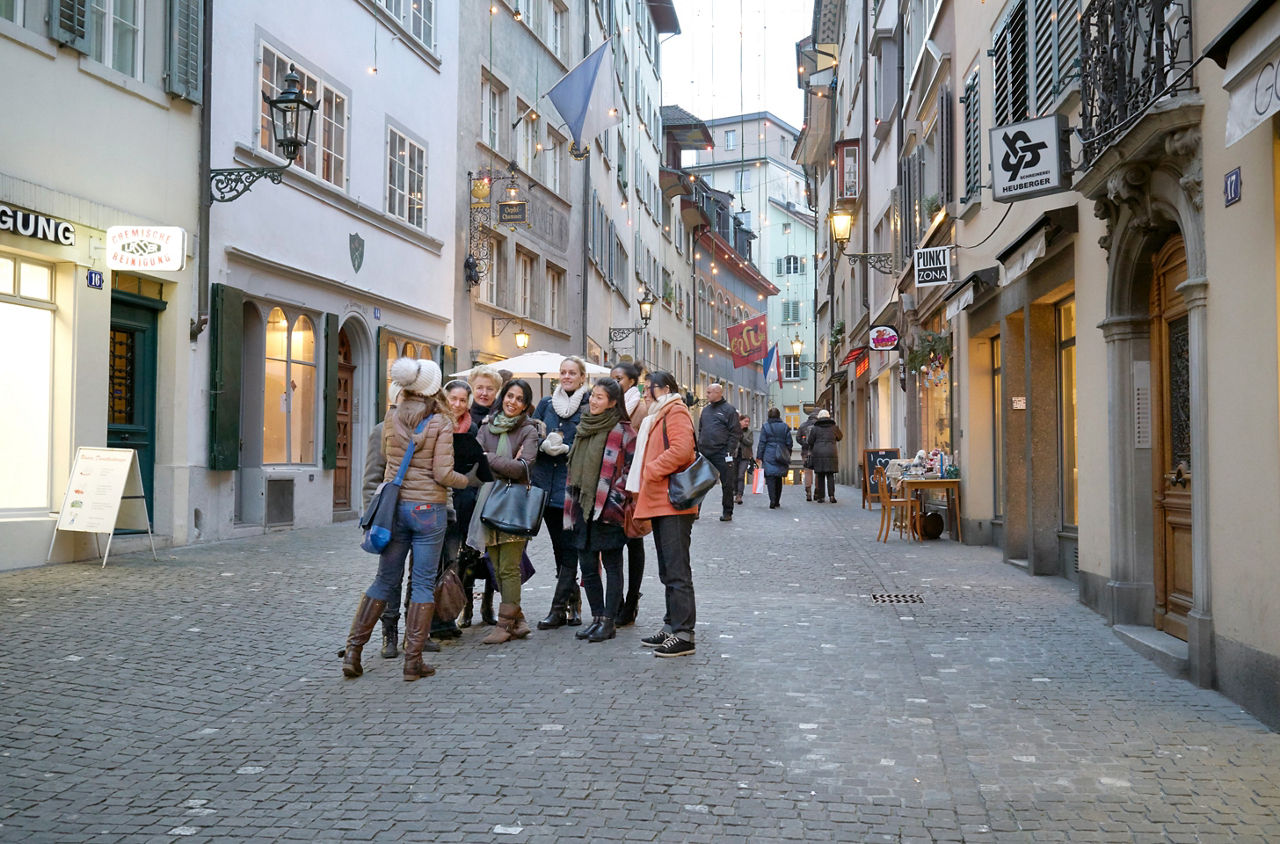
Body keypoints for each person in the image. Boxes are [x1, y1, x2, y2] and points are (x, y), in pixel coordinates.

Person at [342, 358, 480, 682]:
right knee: (421, 584)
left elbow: (387, 463)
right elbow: (442, 473)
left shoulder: (391, 417)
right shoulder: (440, 422)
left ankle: (353, 651)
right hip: (428, 511)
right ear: (434, 388)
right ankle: (413, 661)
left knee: (383, 581)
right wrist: (468, 480)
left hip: (395, 509)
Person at [626, 370, 698, 657]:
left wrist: (650, 470)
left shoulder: (675, 412)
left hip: (673, 502)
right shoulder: (658, 413)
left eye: (649, 387)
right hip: (660, 500)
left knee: (677, 569)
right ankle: (671, 626)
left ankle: (684, 633)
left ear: (664, 388)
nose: (645, 392)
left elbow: (683, 451)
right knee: (668, 568)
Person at [469, 378, 542, 644]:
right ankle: (518, 620)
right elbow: (476, 465)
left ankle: (504, 625)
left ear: (525, 405)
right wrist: (501, 462)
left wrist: (491, 458)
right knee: (496, 567)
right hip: (489, 502)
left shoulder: (529, 430)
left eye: (519, 399)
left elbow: (524, 467)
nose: (513, 402)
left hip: (514, 506)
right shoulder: (487, 427)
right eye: (510, 396)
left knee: (509, 567)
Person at [564, 377, 636, 643]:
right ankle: (596, 617)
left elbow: (629, 472)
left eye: (600, 397)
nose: (593, 401)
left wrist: (613, 501)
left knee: (613, 565)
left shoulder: (624, 431)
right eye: (592, 396)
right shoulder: (584, 426)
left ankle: (609, 620)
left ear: (613, 403)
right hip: (582, 506)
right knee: (587, 566)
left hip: (608, 509)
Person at [532, 356, 591, 629]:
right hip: (545, 484)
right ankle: (572, 601)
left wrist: (568, 447)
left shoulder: (589, 403)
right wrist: (544, 443)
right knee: (558, 548)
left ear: (582, 377)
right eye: (563, 372)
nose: (567, 376)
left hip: (571, 487)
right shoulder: (546, 404)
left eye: (572, 373)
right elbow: (532, 433)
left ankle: (559, 609)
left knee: (569, 548)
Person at [460, 365, 504, 627]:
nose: (484, 393)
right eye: (480, 388)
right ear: (472, 389)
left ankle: (488, 603)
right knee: (466, 551)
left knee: (490, 551)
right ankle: (465, 604)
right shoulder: (462, 418)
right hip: (466, 492)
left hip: (492, 492)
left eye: (489, 389)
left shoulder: (500, 418)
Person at [611, 362, 648, 626]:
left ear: (632, 382)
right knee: (612, 544)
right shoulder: (607, 404)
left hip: (633, 483)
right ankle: (616, 602)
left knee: (634, 540)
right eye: (611, 377)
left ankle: (632, 599)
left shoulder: (640, 407)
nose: (614, 381)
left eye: (619, 378)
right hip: (611, 484)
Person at [696, 382, 741, 522]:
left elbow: (735, 433)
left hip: (722, 452)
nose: (707, 394)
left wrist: (729, 450)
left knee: (727, 483)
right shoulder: (706, 410)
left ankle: (727, 512)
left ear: (718, 393)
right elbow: (701, 429)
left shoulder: (729, 410)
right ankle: (695, 510)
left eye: (709, 392)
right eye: (707, 392)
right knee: (699, 482)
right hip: (705, 451)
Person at [755, 408, 794, 509]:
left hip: (769, 454)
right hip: (781, 454)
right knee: (778, 478)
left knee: (770, 478)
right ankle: (777, 501)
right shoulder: (785, 426)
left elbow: (762, 442)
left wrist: (759, 456)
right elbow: (789, 442)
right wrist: (788, 453)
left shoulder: (766, 426)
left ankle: (772, 500)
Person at [808, 409, 844, 503]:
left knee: (820, 475)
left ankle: (821, 497)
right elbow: (840, 437)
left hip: (818, 452)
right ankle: (832, 496)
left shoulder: (815, 428)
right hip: (831, 452)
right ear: (828, 416)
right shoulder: (834, 427)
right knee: (830, 475)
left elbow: (810, 441)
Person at [797, 408, 820, 501]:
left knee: (807, 472)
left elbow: (798, 438)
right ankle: (817, 492)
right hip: (818, 451)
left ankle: (808, 492)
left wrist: (804, 443)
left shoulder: (803, 425)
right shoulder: (819, 425)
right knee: (818, 472)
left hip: (806, 452)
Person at [735, 415, 754, 505]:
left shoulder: (749, 432)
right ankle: (735, 491)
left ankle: (739, 495)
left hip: (745, 457)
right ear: (740, 421)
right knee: (734, 476)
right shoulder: (734, 430)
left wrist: (742, 437)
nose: (747, 423)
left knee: (741, 475)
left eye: (748, 422)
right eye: (745, 421)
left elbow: (750, 442)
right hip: (734, 456)